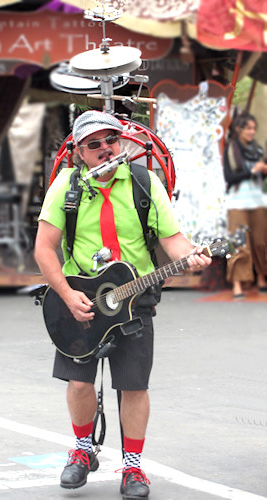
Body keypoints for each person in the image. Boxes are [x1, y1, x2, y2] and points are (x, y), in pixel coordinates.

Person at [34, 110, 211, 499]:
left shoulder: (145, 183)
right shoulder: (68, 185)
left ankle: (132, 466)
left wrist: (193, 254)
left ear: (121, 143)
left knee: (133, 385)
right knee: (80, 381)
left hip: (135, 298)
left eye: (110, 140)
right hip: (80, 297)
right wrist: (66, 293)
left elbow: (175, 241)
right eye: (93, 144)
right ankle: (82, 451)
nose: (104, 149)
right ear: (79, 152)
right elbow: (44, 249)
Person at [223, 111, 267, 299]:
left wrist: (263, 171)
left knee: (260, 242)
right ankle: (238, 284)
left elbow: (260, 177)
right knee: (239, 243)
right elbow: (230, 177)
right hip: (237, 202)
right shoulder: (231, 149)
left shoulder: (257, 150)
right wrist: (253, 170)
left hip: (257, 200)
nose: (251, 132)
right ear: (240, 129)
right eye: (248, 128)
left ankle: (262, 278)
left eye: (253, 129)